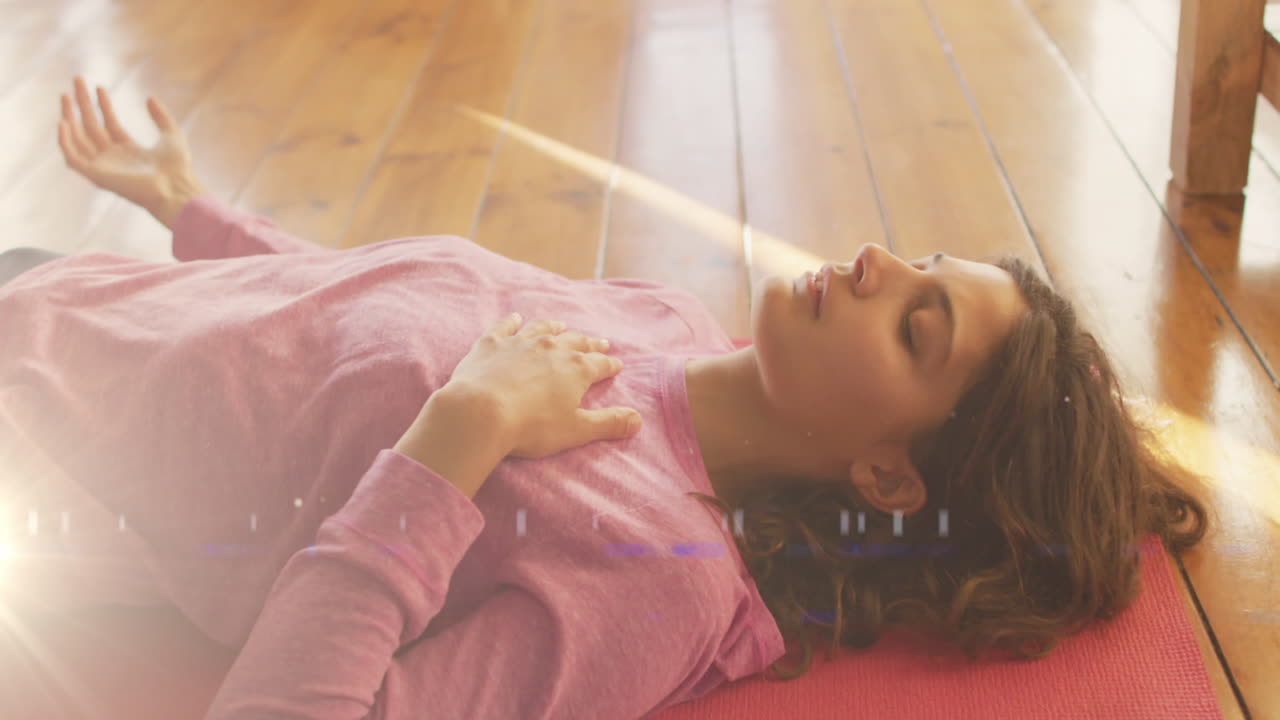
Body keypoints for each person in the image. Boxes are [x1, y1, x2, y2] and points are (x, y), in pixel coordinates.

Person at [0, 76, 1210, 718]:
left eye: (917, 325)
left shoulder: (658, 575)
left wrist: (455, 442)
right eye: (922, 264)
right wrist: (193, 213)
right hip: (63, 296)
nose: (878, 265)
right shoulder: (665, 325)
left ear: (888, 475)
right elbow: (359, 318)